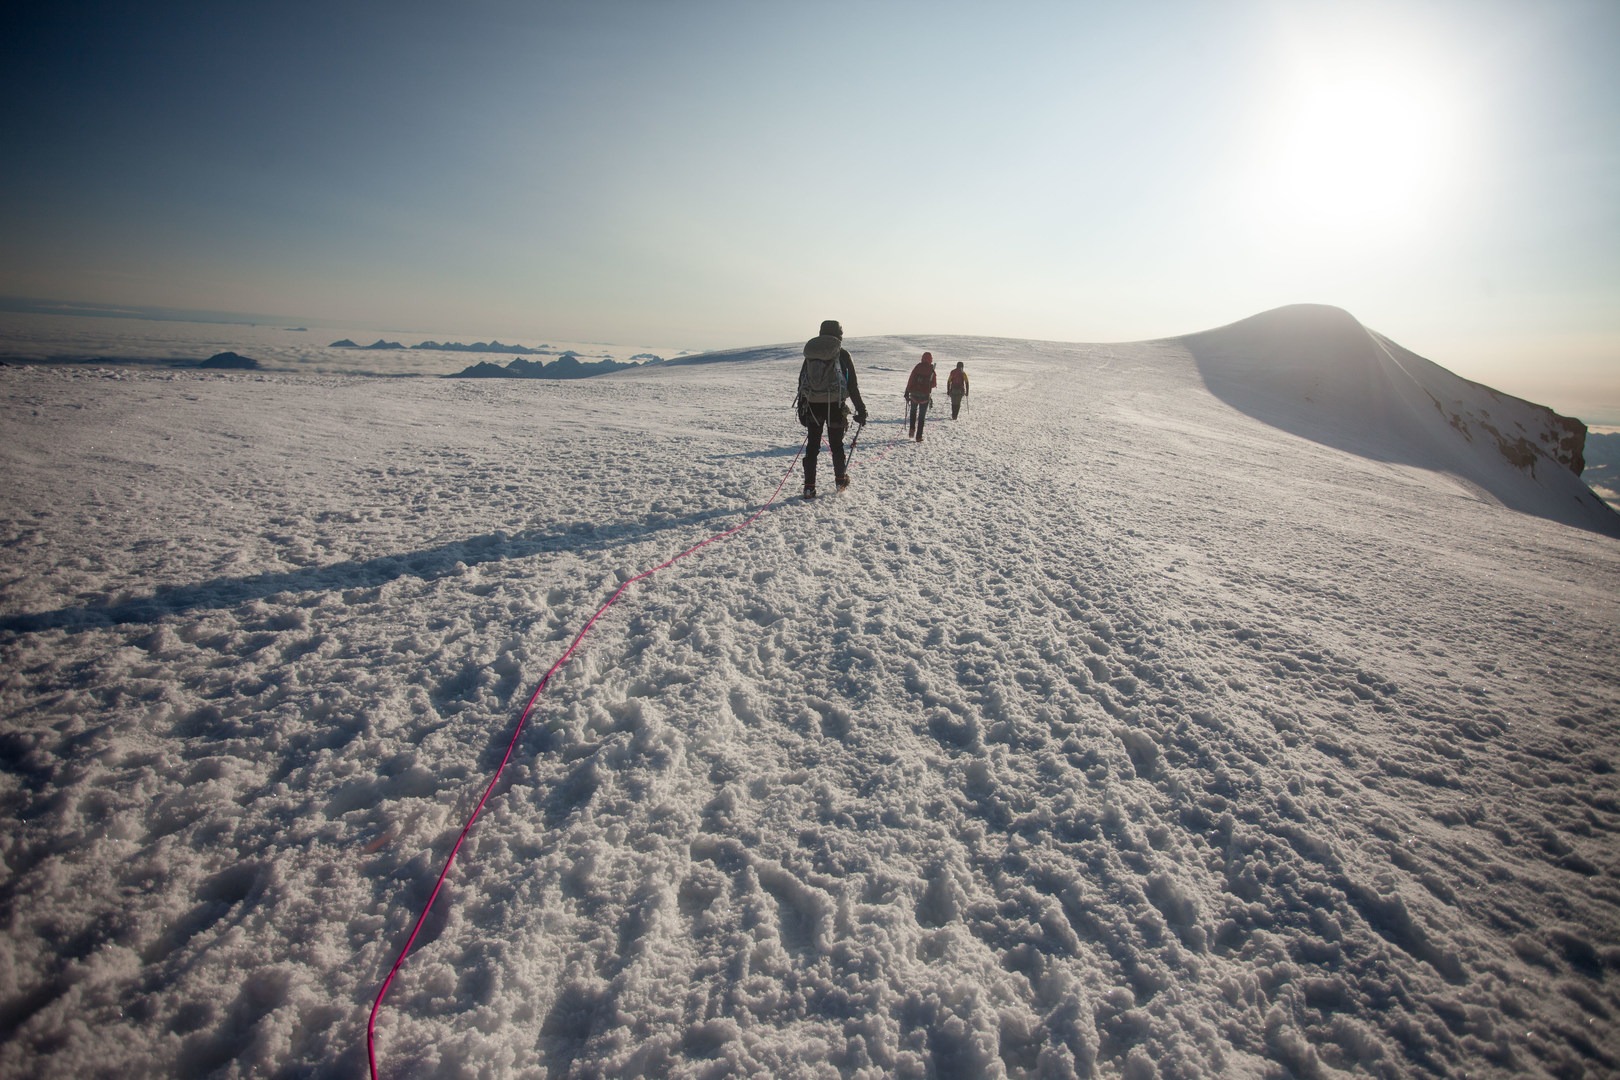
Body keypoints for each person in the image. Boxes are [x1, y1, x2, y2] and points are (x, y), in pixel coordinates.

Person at [797, 319, 867, 498]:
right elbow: (852, 386)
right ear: (839, 334)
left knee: (812, 446)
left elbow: (802, 381)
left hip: (813, 405)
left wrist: (801, 406)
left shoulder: (811, 354)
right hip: (835, 406)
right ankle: (840, 481)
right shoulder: (842, 354)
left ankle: (809, 487)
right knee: (836, 446)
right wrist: (860, 409)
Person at [904, 351, 936, 441]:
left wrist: (907, 391)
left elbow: (911, 379)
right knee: (922, 416)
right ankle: (919, 436)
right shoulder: (931, 369)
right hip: (925, 396)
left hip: (914, 394)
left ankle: (912, 429)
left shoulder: (918, 366)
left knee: (913, 412)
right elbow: (934, 384)